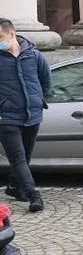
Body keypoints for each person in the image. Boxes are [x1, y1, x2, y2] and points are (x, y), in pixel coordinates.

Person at [0, 19, 51, 213]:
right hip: (6, 118)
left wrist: (37, 100)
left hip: (33, 114)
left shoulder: (34, 55)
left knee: (25, 156)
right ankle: (33, 196)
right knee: (18, 159)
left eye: (0, 37)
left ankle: (14, 187)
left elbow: (45, 81)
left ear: (11, 33)